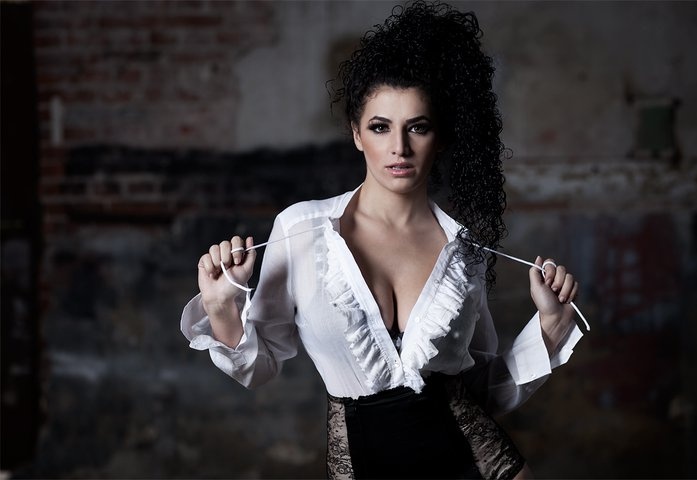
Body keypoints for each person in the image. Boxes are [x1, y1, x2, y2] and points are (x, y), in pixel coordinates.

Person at [181, 1, 583, 478]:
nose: (399, 148)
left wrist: (550, 325)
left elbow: (482, 393)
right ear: (356, 134)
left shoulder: (465, 253)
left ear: (440, 137)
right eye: (380, 127)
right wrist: (221, 307)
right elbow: (259, 369)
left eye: (418, 127)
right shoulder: (302, 231)